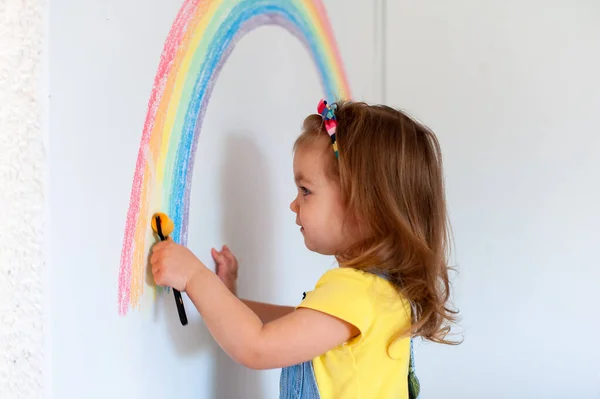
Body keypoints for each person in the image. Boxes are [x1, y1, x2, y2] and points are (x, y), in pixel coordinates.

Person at [150, 99, 460, 399]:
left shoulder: (355, 292)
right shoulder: (383, 293)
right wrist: (228, 301)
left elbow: (256, 346)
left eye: (306, 191)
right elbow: (293, 324)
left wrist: (193, 276)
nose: (293, 204)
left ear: (364, 207)